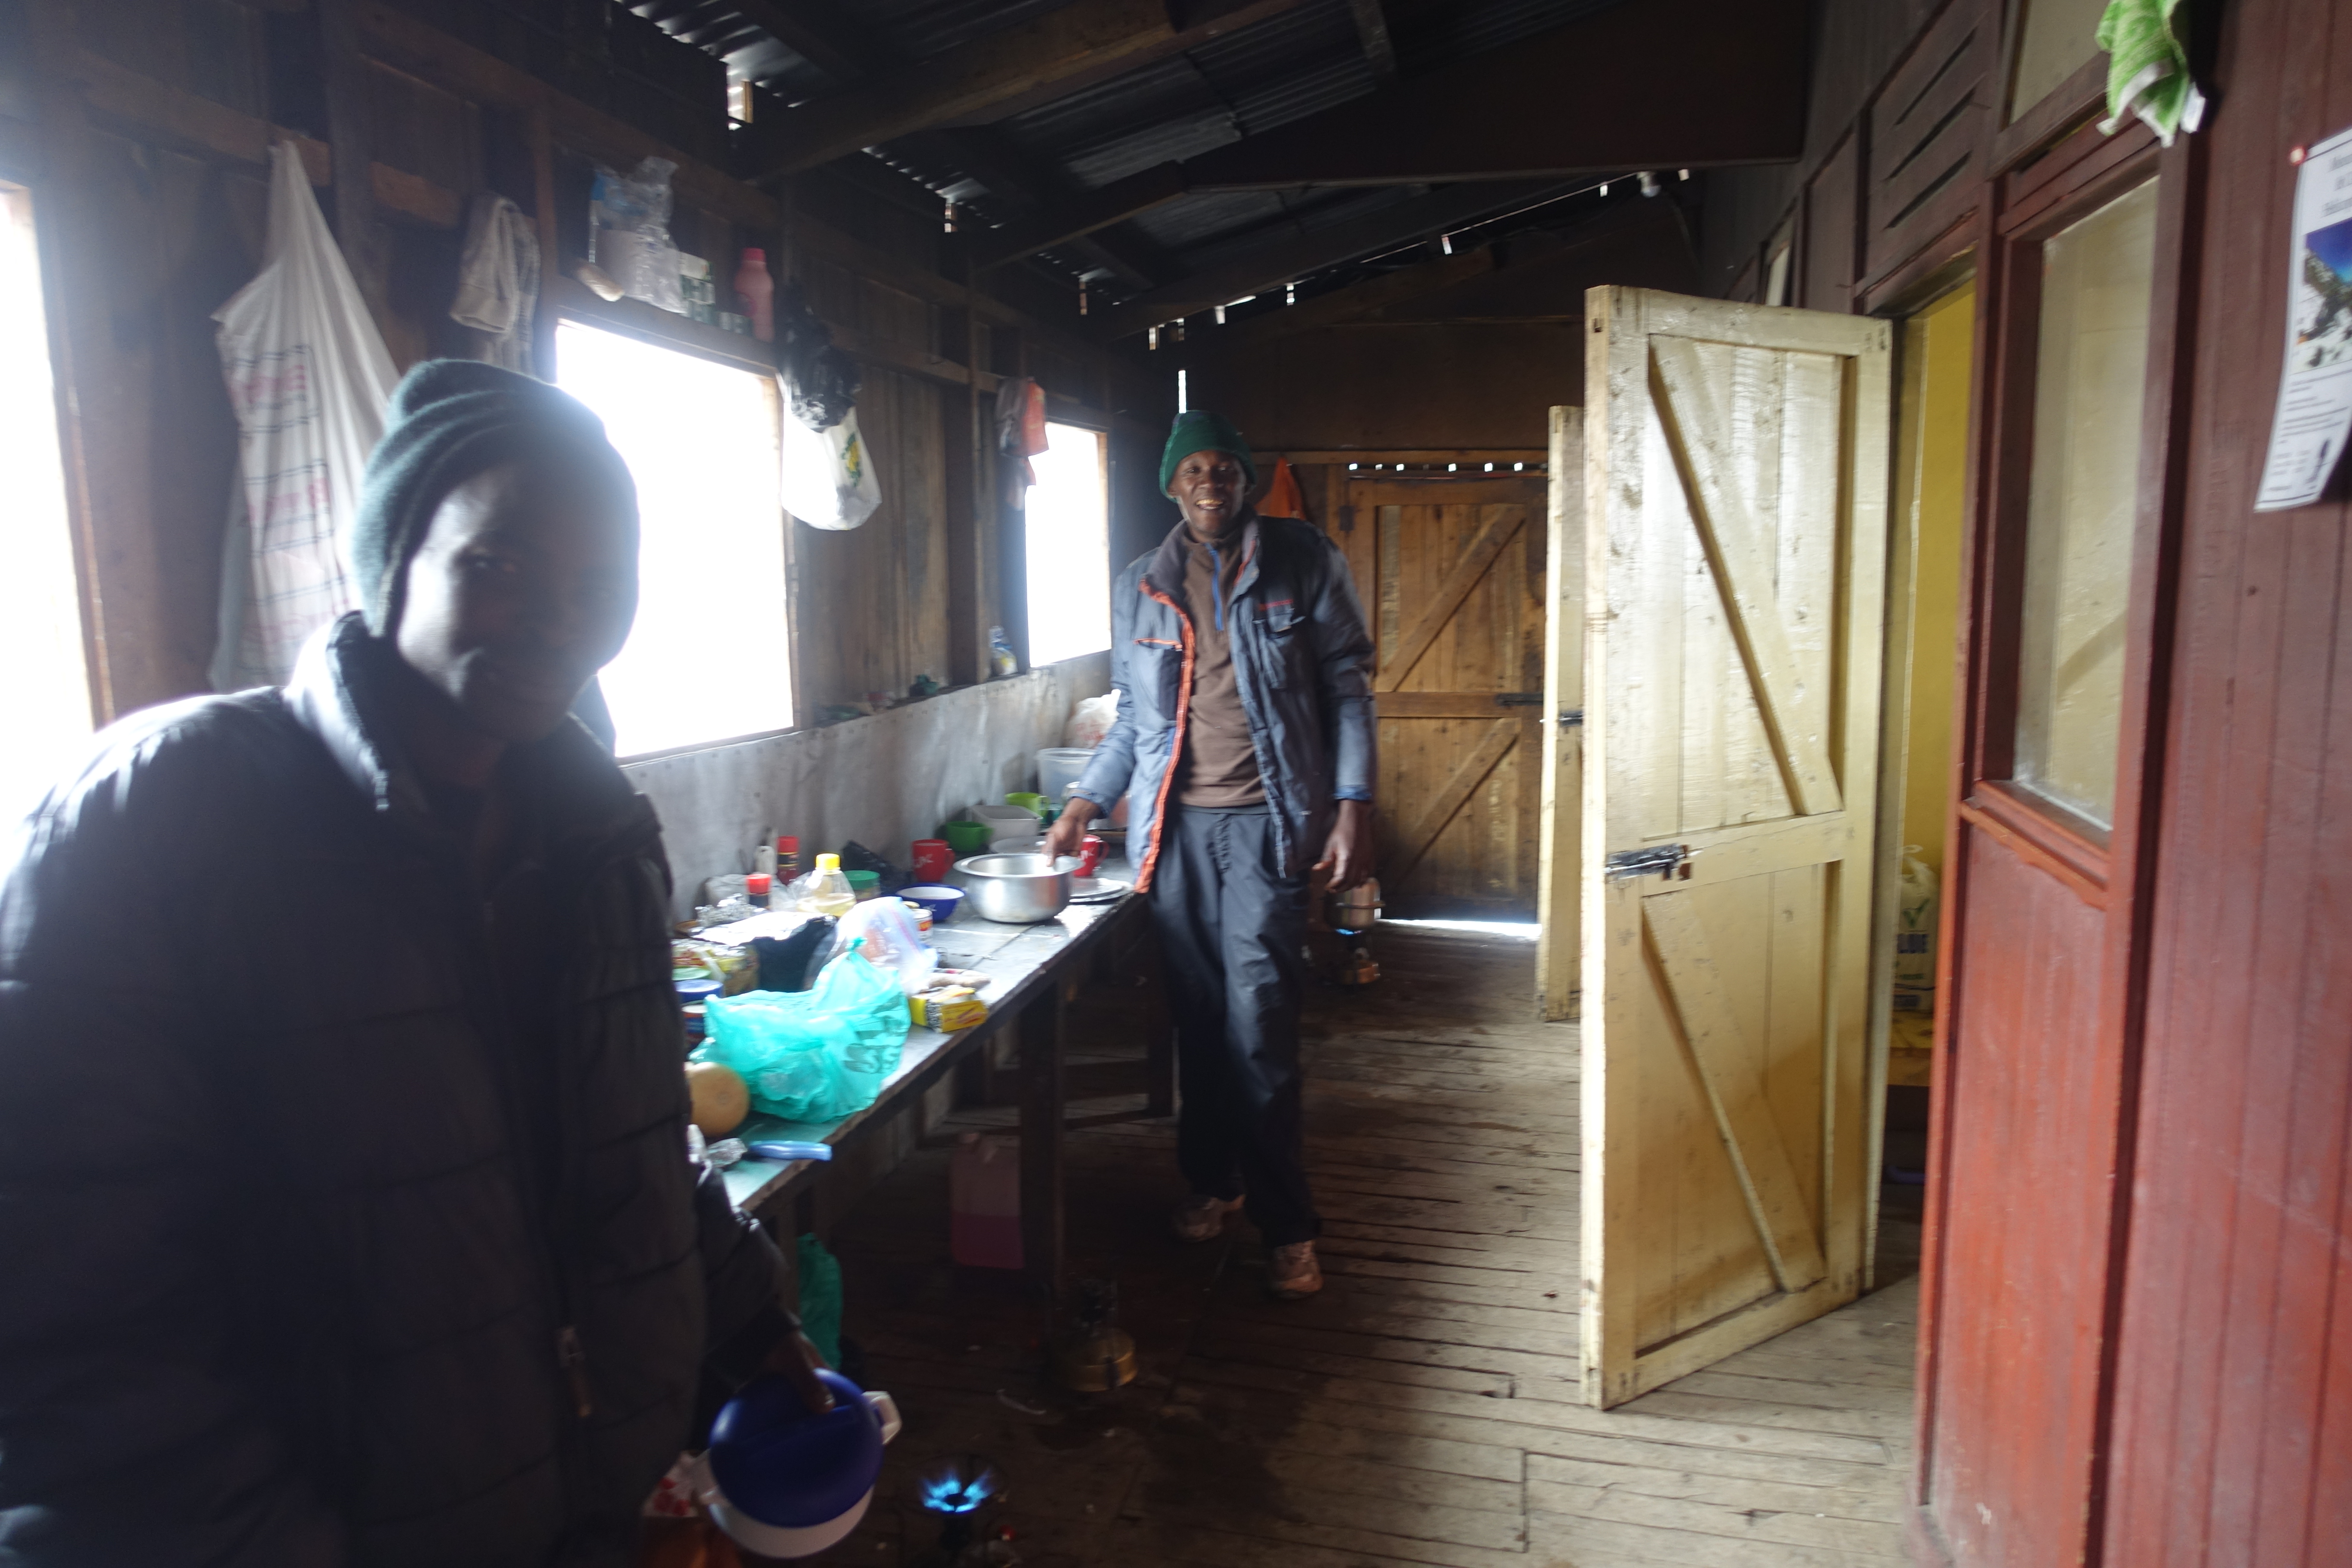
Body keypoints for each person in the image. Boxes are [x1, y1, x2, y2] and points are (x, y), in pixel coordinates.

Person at [0, 361, 826, 1566]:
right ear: (391, 562)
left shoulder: (594, 835)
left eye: (600, 584)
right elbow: (72, 1332)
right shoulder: (161, 822)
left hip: (574, 1506)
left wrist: (746, 1323)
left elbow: (631, 1144)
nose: (557, 618)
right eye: (496, 566)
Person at [1044, 410, 1376, 1301]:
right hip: (1172, 835)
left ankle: (1288, 1224)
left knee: (1259, 1024)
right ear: (1170, 484)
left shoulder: (1302, 560)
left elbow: (1348, 686)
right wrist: (1084, 799)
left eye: (1223, 466)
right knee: (1197, 1022)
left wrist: (1352, 805)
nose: (1209, 482)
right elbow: (1135, 721)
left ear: (1246, 477)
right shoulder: (1141, 584)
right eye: (1191, 468)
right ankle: (1214, 1182)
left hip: (1265, 827)